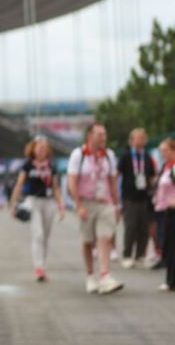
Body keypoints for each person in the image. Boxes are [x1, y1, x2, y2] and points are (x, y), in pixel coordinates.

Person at [67, 122, 123, 295]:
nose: (103, 138)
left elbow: (113, 181)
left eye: (104, 135)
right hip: (86, 202)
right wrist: (78, 205)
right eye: (100, 135)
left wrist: (116, 204)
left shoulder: (109, 156)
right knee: (88, 241)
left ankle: (105, 276)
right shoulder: (78, 155)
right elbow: (72, 182)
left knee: (105, 237)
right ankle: (90, 276)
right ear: (89, 136)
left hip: (104, 202)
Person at [9, 137, 65, 281]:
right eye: (39, 147)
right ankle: (38, 267)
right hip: (33, 201)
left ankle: (42, 265)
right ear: (33, 149)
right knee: (38, 234)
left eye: (44, 148)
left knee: (45, 236)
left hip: (49, 202)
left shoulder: (51, 166)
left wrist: (61, 206)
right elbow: (19, 184)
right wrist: (13, 204)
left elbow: (56, 187)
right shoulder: (28, 165)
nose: (41, 150)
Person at [118, 127, 157, 269]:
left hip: (144, 196)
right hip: (129, 196)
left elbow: (152, 175)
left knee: (143, 226)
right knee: (131, 225)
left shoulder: (147, 157)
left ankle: (140, 254)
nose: (140, 141)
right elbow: (117, 174)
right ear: (131, 141)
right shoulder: (126, 156)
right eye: (137, 138)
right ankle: (127, 254)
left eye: (142, 138)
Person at [154, 138, 175, 290]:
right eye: (161, 151)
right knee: (167, 244)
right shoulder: (166, 167)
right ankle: (170, 280)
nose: (163, 154)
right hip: (164, 210)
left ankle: (171, 281)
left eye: (166, 150)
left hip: (172, 210)